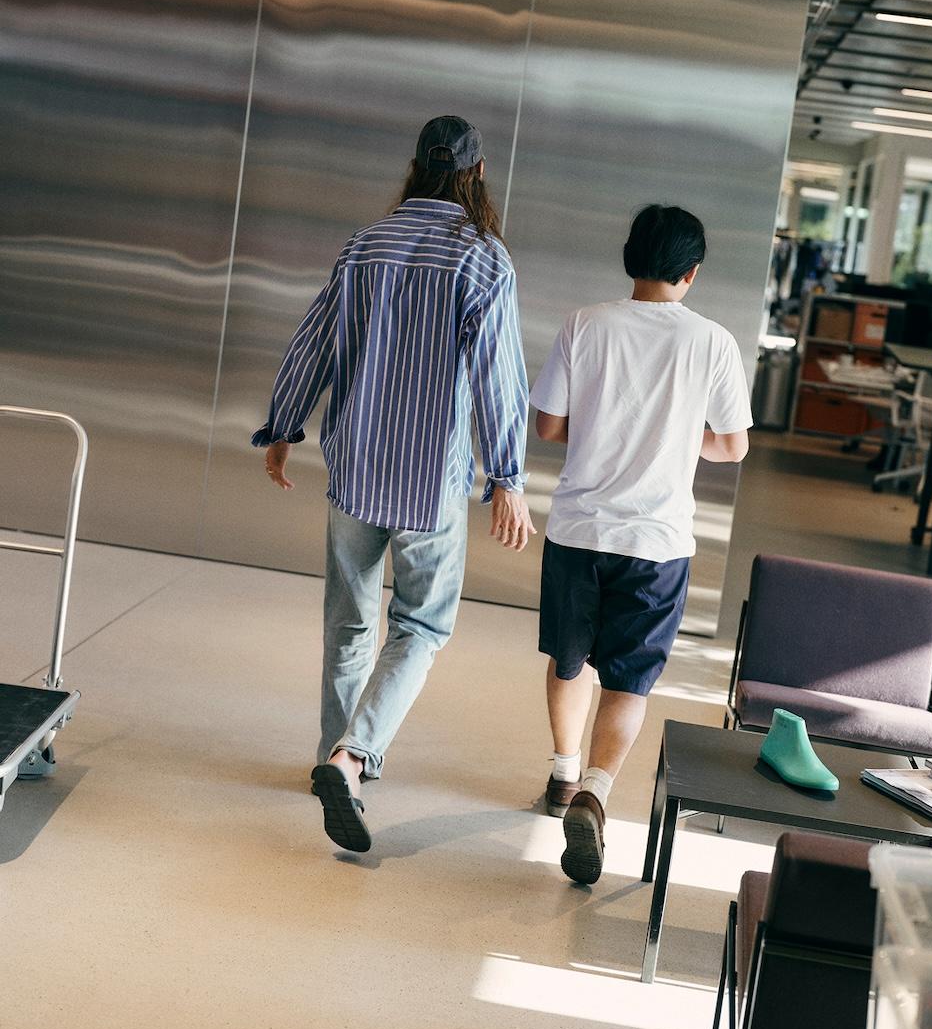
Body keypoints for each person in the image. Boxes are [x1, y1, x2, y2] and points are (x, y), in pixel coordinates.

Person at [253, 116, 534, 854]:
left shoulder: (366, 244)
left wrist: (283, 425)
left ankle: (332, 756)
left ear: (415, 167)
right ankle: (352, 757)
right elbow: (500, 376)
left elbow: (315, 338)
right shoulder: (483, 258)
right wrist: (507, 476)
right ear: (477, 173)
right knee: (422, 625)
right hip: (430, 479)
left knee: (349, 621)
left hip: (355, 466)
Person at [529, 204, 752, 885]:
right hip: (657, 541)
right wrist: (680, 440)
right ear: (692, 272)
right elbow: (734, 446)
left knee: (570, 659)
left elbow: (548, 426)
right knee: (629, 679)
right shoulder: (713, 341)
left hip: (578, 530)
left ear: (631, 257)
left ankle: (563, 774)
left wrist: (603, 433)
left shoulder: (585, 323)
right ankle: (596, 792)